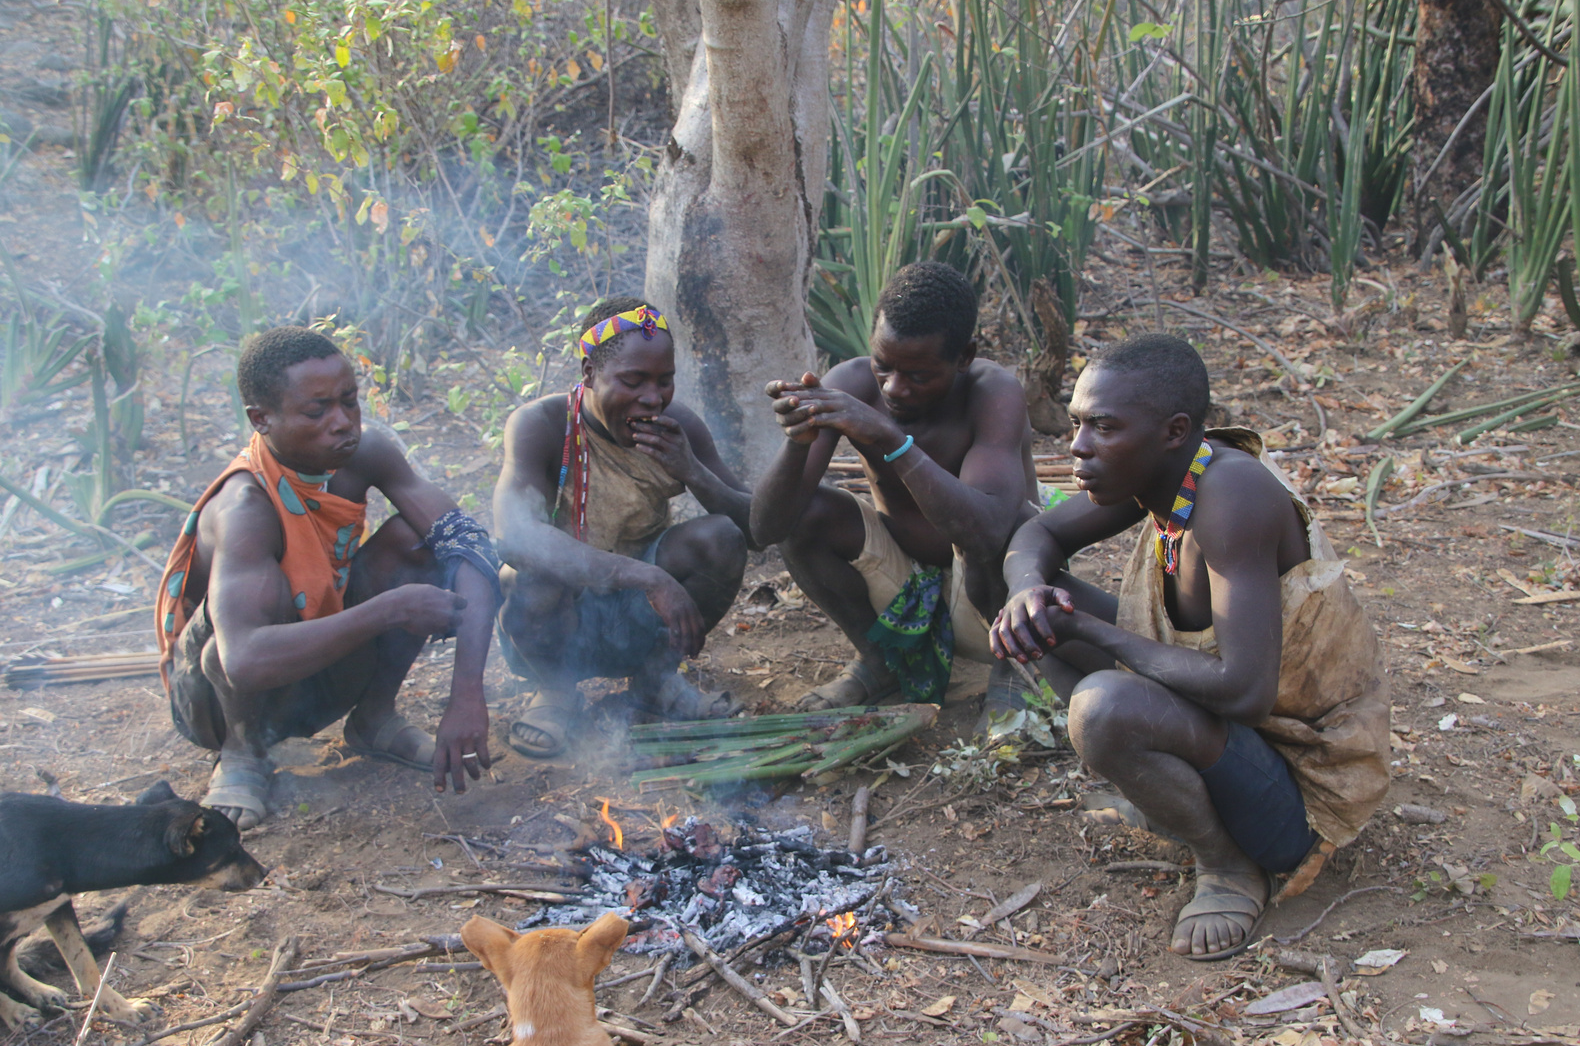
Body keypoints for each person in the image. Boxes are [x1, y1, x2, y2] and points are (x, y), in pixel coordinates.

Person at [990, 333, 1388, 961]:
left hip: (1299, 793)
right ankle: (1161, 786)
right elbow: (1036, 534)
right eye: (1075, 423)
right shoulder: (1161, 472)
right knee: (1020, 590)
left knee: (1103, 707)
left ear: (1174, 431)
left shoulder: (1232, 497)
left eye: (1103, 427)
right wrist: (1026, 594)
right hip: (1227, 733)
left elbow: (1246, 691)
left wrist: (1089, 629)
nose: (1078, 447)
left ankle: (1228, 866)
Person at [156, 327, 502, 830]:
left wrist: (467, 693)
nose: (342, 423)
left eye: (349, 401)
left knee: (417, 542)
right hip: (218, 694)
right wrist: (390, 610)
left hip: (315, 665)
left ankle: (373, 720)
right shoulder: (245, 507)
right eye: (316, 412)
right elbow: (244, 660)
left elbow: (471, 546)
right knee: (253, 607)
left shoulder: (366, 455)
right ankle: (243, 753)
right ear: (262, 419)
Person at [752, 261, 1038, 710]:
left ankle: (1012, 675)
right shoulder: (851, 383)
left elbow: (986, 532)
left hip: (995, 605)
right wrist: (796, 443)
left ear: (964, 357)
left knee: (1013, 520)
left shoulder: (993, 393)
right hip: (903, 586)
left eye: (919, 376)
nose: (894, 388)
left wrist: (890, 439)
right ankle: (881, 662)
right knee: (807, 513)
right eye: (883, 366)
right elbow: (768, 527)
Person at [492, 297, 751, 758]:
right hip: (558, 621)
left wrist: (692, 470)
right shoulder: (541, 424)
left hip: (637, 620)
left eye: (664, 381)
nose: (652, 398)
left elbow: (751, 529)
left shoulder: (678, 426)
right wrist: (647, 576)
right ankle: (555, 692)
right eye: (632, 381)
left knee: (720, 538)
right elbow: (514, 535)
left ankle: (654, 683)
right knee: (531, 573)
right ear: (589, 373)